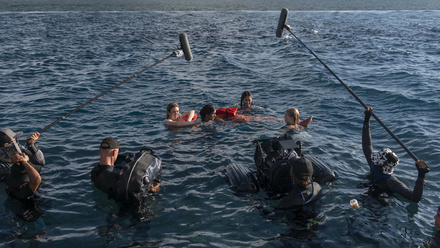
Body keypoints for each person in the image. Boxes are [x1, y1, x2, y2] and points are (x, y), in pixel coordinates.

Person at [362, 106, 429, 203]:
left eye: (375, 161)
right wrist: (366, 121)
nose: (373, 160)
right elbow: (367, 145)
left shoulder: (392, 183)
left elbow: (415, 198)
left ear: (380, 167)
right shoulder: (375, 166)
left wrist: (421, 176)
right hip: (369, 188)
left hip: (379, 202)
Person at [91, 137, 160, 200]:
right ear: (114, 152)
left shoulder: (94, 171)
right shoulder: (115, 177)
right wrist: (153, 188)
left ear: (100, 150)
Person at [0, 128, 45, 200]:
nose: (16, 142)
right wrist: (20, 161)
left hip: (33, 184)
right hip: (20, 188)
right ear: (6, 145)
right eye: (14, 141)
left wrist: (31, 145)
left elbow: (40, 162)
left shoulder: (18, 149)